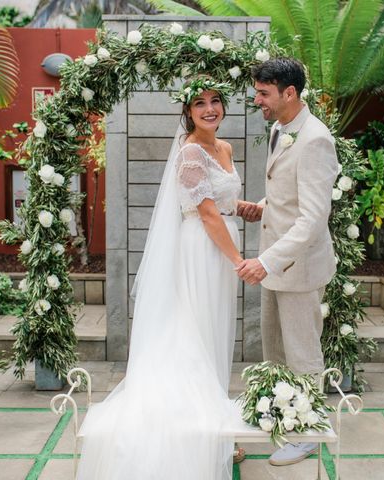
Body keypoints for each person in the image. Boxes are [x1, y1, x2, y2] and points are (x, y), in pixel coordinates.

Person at [77, 78, 244, 479]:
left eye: (215, 101)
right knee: (197, 333)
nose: (209, 109)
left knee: (213, 332)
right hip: (202, 249)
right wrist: (239, 260)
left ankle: (218, 428)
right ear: (187, 111)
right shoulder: (190, 151)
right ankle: (198, 433)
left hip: (219, 245)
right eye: (199, 103)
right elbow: (203, 213)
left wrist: (246, 207)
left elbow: (219, 200)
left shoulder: (225, 148)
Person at [236, 58, 339, 466]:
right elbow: (292, 197)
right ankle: (283, 418)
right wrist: (263, 207)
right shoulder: (282, 128)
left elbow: (314, 219)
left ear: (289, 93)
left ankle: (309, 432)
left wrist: (266, 262)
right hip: (278, 266)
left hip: (297, 268)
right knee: (275, 352)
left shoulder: (315, 139)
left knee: (303, 353)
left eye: (263, 93)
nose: (257, 99)